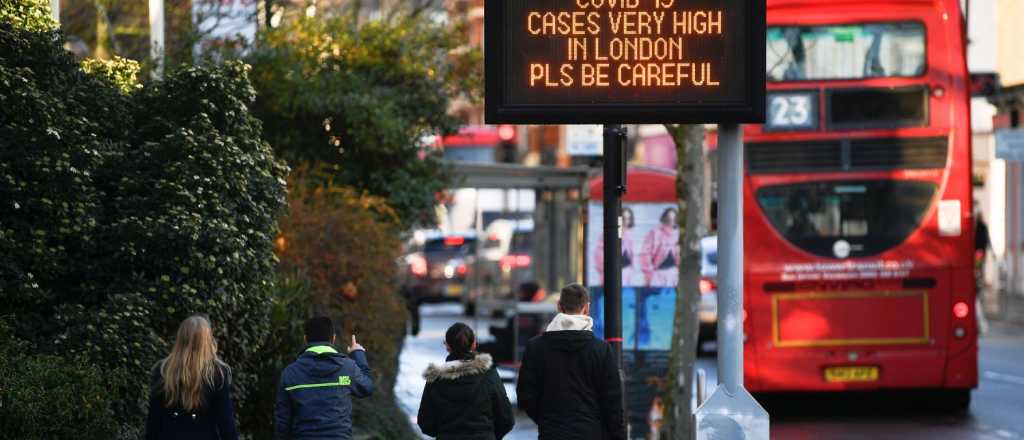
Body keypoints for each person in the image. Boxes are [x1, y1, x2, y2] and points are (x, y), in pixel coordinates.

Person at [516, 284, 626, 440]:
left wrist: (546, 419)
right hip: (590, 431)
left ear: (559, 306)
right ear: (586, 308)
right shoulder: (601, 349)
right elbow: (612, 402)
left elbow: (526, 395)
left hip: (551, 431)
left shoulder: (536, 347)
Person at [274, 316, 374, 440]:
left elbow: (282, 423)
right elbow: (367, 388)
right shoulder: (347, 368)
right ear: (333, 338)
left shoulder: (290, 373)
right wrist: (357, 353)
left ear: (305, 339)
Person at [146, 315, 239, 440]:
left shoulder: (163, 370)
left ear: (180, 339)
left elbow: (153, 422)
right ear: (207, 340)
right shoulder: (217, 374)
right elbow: (226, 423)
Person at [417, 323, 515, 439]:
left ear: (447, 346)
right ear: (474, 344)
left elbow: (425, 422)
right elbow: (506, 418)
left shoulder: (435, 378)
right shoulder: (488, 375)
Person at [595, 207, 643, 286]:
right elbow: (599, 255)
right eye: (623, 218)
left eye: (628, 219)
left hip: (628, 274)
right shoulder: (608, 234)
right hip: (612, 274)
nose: (626, 222)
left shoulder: (631, 235)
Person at [639, 208, 680, 287]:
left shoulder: (677, 234)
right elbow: (644, 253)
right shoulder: (655, 233)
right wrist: (649, 272)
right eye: (669, 219)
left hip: (674, 273)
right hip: (658, 274)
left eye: (673, 219)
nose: (671, 222)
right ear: (664, 219)